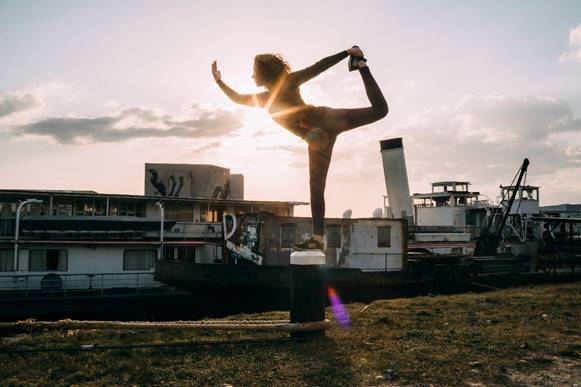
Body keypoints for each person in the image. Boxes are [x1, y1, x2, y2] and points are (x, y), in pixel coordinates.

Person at [212, 47, 388, 250]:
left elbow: (319, 67)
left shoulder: (289, 82)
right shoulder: (263, 99)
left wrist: (346, 53)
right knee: (316, 188)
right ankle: (318, 238)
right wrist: (219, 81)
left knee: (380, 110)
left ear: (264, 72)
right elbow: (237, 98)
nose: (252, 76)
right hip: (319, 136)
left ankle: (361, 66)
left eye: (254, 71)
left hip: (325, 123)